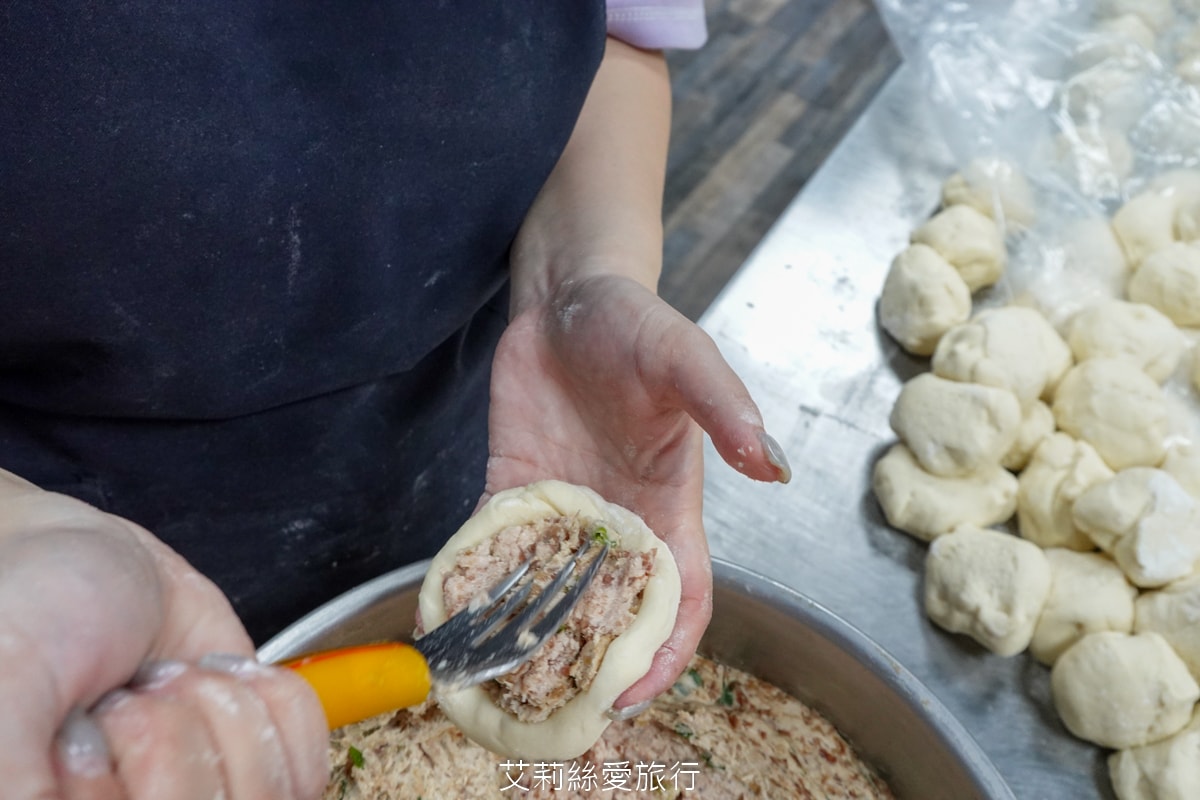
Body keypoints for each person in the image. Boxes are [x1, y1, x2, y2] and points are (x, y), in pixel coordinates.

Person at [0, 2, 791, 797]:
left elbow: (614, 36)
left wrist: (577, 283)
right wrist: (18, 527)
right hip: (86, 559)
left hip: (493, 437)